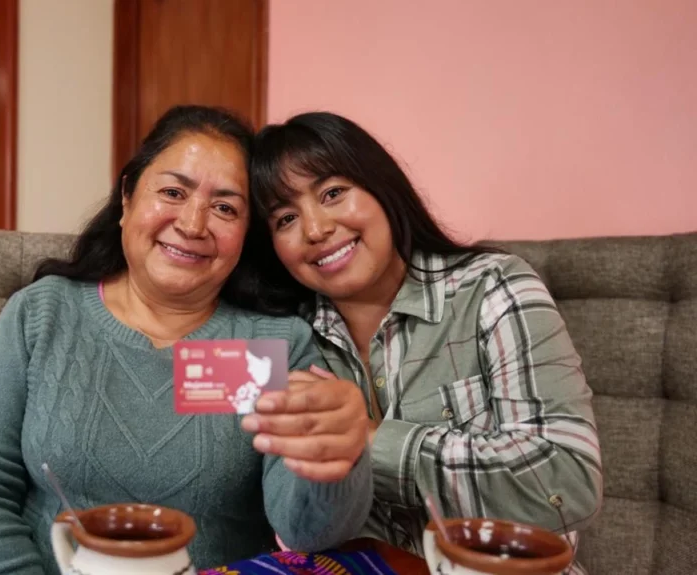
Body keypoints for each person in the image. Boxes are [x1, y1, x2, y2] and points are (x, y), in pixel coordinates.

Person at [0, 105, 373, 575]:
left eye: (225, 208)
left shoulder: (270, 346)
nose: (192, 224)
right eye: (173, 192)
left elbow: (309, 534)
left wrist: (338, 460)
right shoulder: (43, 314)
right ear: (127, 196)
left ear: (245, 234)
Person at [246, 112, 603, 574]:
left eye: (333, 193)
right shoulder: (289, 339)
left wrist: (367, 441)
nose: (315, 229)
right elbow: (301, 531)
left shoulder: (493, 288)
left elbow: (568, 482)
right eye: (286, 218)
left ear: (381, 187)